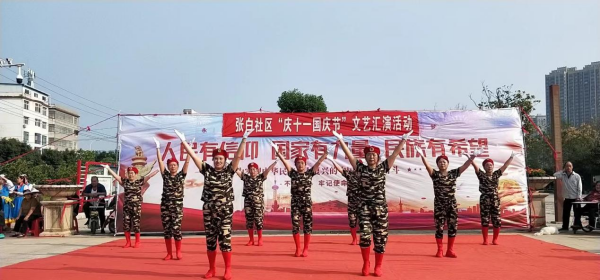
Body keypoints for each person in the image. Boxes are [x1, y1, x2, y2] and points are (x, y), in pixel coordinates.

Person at [176, 128, 250, 280]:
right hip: (209, 212)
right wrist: (183, 142)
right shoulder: (207, 170)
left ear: (224, 160)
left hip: (225, 213)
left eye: (221, 159)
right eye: (216, 159)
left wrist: (243, 140)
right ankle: (212, 269)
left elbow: (237, 156)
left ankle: (227, 269)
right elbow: (194, 156)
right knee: (210, 241)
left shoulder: (229, 170)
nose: (218, 161)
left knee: (225, 240)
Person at [333, 130, 409, 277]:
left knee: (381, 238)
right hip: (365, 209)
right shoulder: (360, 169)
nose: (371, 156)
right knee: (365, 237)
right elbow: (349, 156)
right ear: (365, 157)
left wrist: (403, 141)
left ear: (378, 157)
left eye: (374, 155)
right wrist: (341, 140)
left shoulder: (383, 168)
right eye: (368, 154)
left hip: (380, 209)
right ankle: (366, 262)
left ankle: (378, 265)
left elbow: (394, 154)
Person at [415, 146, 475, 258]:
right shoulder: (435, 174)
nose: (442, 163)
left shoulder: (454, 173)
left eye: (444, 162)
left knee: (453, 226)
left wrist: (472, 157)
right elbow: (427, 166)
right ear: (437, 164)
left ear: (448, 163)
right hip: (439, 205)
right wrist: (422, 155)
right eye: (440, 162)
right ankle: (440, 250)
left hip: (451, 204)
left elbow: (465, 166)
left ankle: (450, 250)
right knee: (439, 227)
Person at [273, 142, 327, 258]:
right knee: (295, 225)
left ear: (305, 165)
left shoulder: (309, 173)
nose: (300, 165)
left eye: (302, 163)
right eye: (298, 163)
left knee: (308, 226)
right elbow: (285, 163)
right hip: (296, 204)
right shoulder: (292, 173)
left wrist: (324, 155)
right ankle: (298, 248)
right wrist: (278, 153)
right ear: (296, 165)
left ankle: (306, 248)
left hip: (307, 204)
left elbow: (318, 163)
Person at [154, 137, 192, 261]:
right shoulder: (165, 175)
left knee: (176, 229)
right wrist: (158, 148)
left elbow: (187, 162)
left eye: (174, 165)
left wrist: (188, 147)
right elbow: (160, 162)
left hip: (177, 207)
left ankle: (178, 251)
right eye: (171, 165)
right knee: (166, 230)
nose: (173, 167)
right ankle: (169, 253)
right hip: (165, 206)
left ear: (177, 166)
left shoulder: (181, 175)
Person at [102, 165, 158, 248]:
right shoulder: (126, 182)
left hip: (136, 207)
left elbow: (148, 176)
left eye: (132, 173)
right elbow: (117, 177)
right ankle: (128, 242)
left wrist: (157, 170)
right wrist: (108, 168)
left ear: (135, 174)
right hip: (127, 207)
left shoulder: (139, 181)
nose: (131, 175)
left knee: (136, 224)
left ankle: (137, 242)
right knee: (126, 224)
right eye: (129, 173)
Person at [470, 152, 515, 245]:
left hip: (495, 200)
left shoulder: (496, 175)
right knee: (485, 219)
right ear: (484, 167)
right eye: (487, 165)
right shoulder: (481, 175)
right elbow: (475, 167)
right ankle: (485, 239)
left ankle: (495, 239)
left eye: (491, 165)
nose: (489, 166)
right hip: (484, 199)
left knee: (497, 220)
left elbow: (505, 166)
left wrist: (511, 157)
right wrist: (471, 158)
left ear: (493, 166)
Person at [236, 160, 277, 246]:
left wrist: (275, 162)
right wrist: (230, 163)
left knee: (258, 221)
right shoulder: (246, 178)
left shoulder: (260, 177)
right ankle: (251, 240)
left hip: (258, 203)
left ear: (257, 170)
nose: (252, 171)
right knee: (249, 221)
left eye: (254, 169)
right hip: (248, 202)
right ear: (248, 170)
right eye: (251, 169)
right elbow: (236, 170)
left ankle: (260, 239)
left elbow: (267, 171)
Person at [329, 158, 361, 245]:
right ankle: (354, 239)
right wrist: (333, 161)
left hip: (363, 202)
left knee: (364, 222)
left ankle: (362, 239)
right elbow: (340, 169)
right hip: (352, 202)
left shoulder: (367, 175)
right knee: (352, 221)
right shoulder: (350, 174)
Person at [553, 162, 582, 231]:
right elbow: (555, 175)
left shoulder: (577, 176)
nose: (568, 168)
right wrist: (562, 170)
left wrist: (579, 196)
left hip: (575, 198)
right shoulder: (563, 175)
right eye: (567, 166)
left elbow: (580, 187)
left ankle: (576, 226)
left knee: (577, 213)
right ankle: (565, 227)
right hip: (567, 198)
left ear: (572, 167)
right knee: (566, 213)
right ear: (565, 167)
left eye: (570, 166)